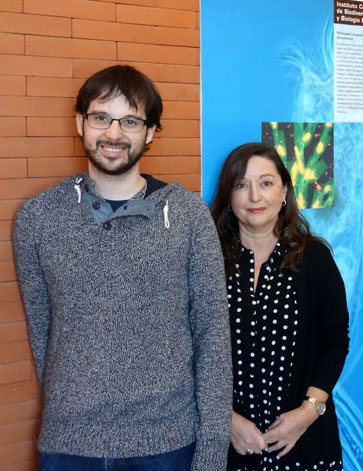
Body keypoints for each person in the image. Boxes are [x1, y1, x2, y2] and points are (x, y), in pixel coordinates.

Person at [12, 65, 232, 470]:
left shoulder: (188, 216)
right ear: (80, 123)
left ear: (150, 132)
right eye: (101, 117)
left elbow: (213, 336)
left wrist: (213, 452)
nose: (113, 134)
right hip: (69, 446)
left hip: (168, 444)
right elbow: (43, 333)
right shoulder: (38, 219)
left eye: (130, 121)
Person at [210, 142, 349, 471]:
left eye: (266, 183)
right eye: (241, 185)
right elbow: (189, 348)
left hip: (303, 442)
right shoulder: (207, 259)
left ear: (284, 191)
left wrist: (308, 412)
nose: (254, 196)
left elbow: (335, 342)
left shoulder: (314, 258)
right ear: (228, 196)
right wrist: (226, 420)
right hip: (228, 445)